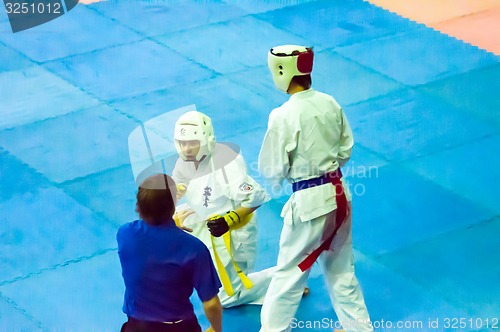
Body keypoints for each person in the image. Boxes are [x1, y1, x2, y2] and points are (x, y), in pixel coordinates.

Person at [258, 45, 373, 332]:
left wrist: (290, 176)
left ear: (282, 71)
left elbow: (273, 170)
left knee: (288, 274)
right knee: (341, 269)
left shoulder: (283, 115)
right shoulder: (329, 102)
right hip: (339, 193)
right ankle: (360, 329)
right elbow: (346, 148)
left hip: (310, 203)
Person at [171, 110, 275, 308]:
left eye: (192, 143)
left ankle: (284, 280)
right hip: (205, 219)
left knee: (227, 297)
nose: (186, 149)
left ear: (207, 140)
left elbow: (255, 198)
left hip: (234, 228)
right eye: (182, 143)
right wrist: (176, 192)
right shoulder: (184, 161)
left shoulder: (227, 163)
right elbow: (179, 186)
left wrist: (230, 220)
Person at [117, 173, 222, 332]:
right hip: (179, 327)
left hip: (137, 326)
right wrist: (217, 329)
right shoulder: (194, 248)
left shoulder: (125, 234)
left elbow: (154, 245)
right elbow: (211, 303)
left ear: (139, 206)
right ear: (173, 205)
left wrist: (169, 228)